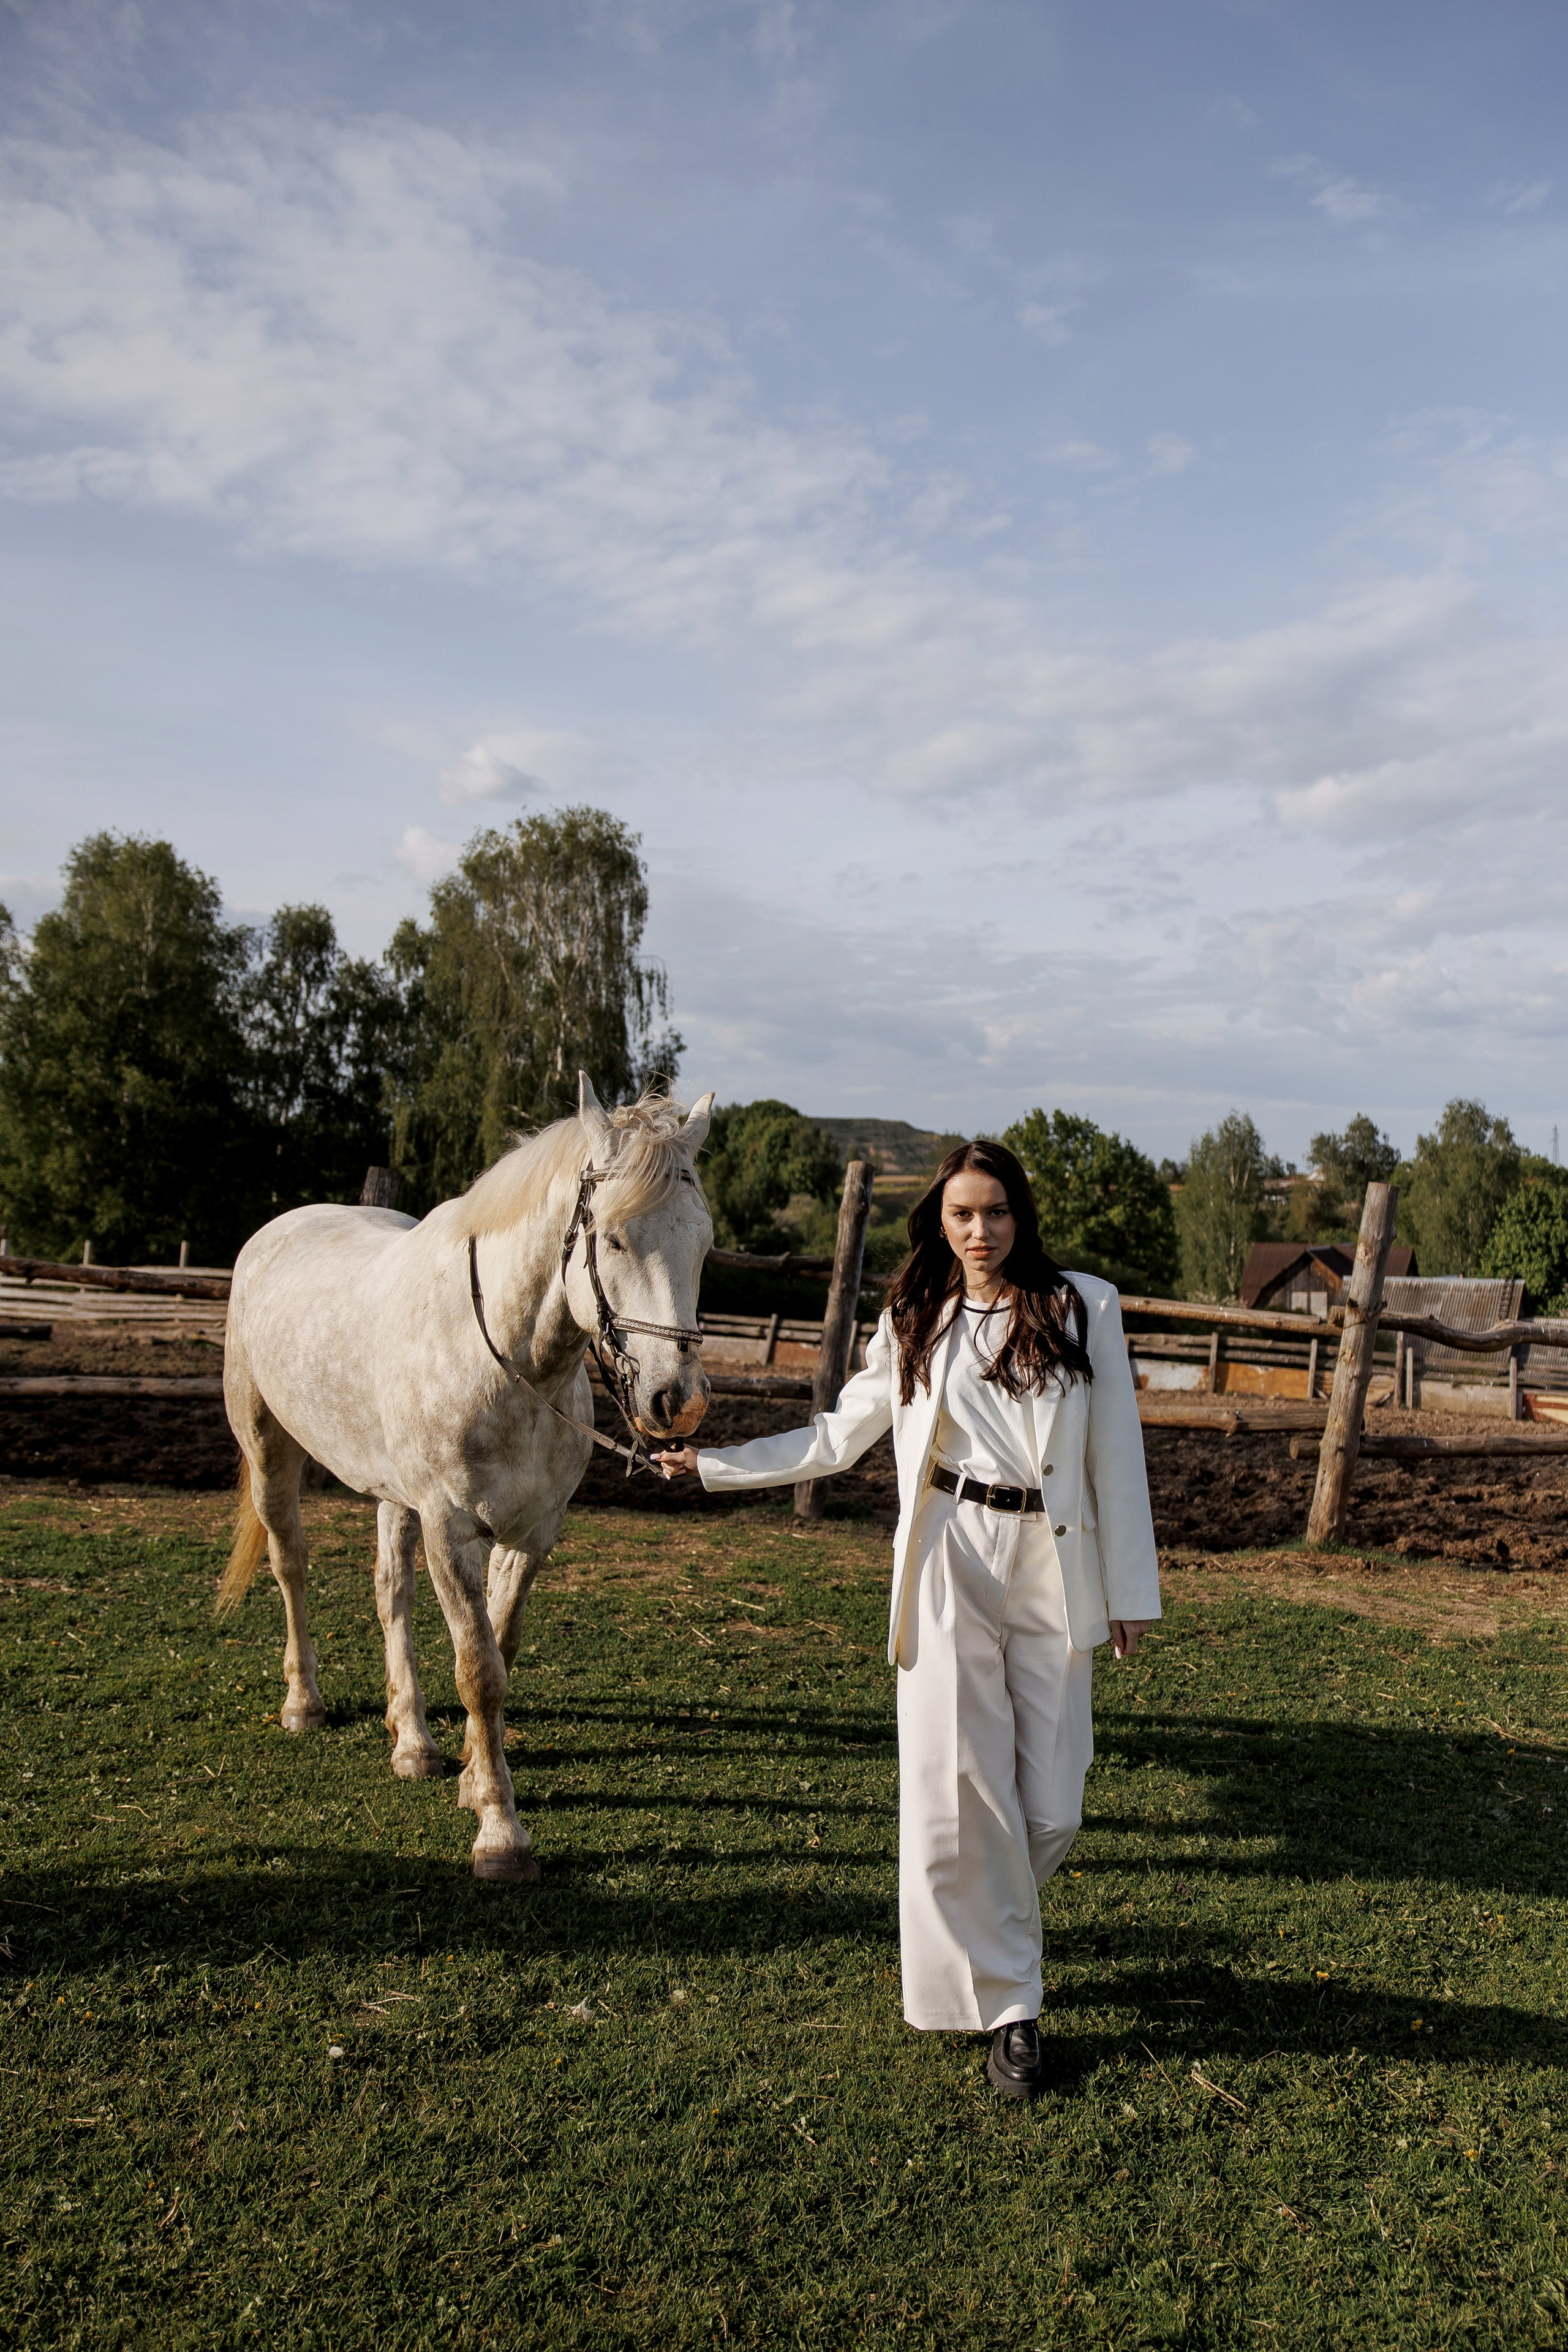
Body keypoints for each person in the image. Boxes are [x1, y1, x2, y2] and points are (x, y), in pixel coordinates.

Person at [655, 1138, 1159, 2102]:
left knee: (1053, 1805)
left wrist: (1131, 1589)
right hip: (949, 1557)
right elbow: (838, 1439)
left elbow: (1116, 1454)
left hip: (1053, 1564)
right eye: (963, 1214)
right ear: (940, 1219)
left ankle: (986, 1934)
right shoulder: (914, 1317)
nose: (980, 1231)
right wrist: (714, 1466)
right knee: (964, 1788)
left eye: (996, 1212)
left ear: (1021, 1217)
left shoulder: (1082, 1306)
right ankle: (1013, 2009)